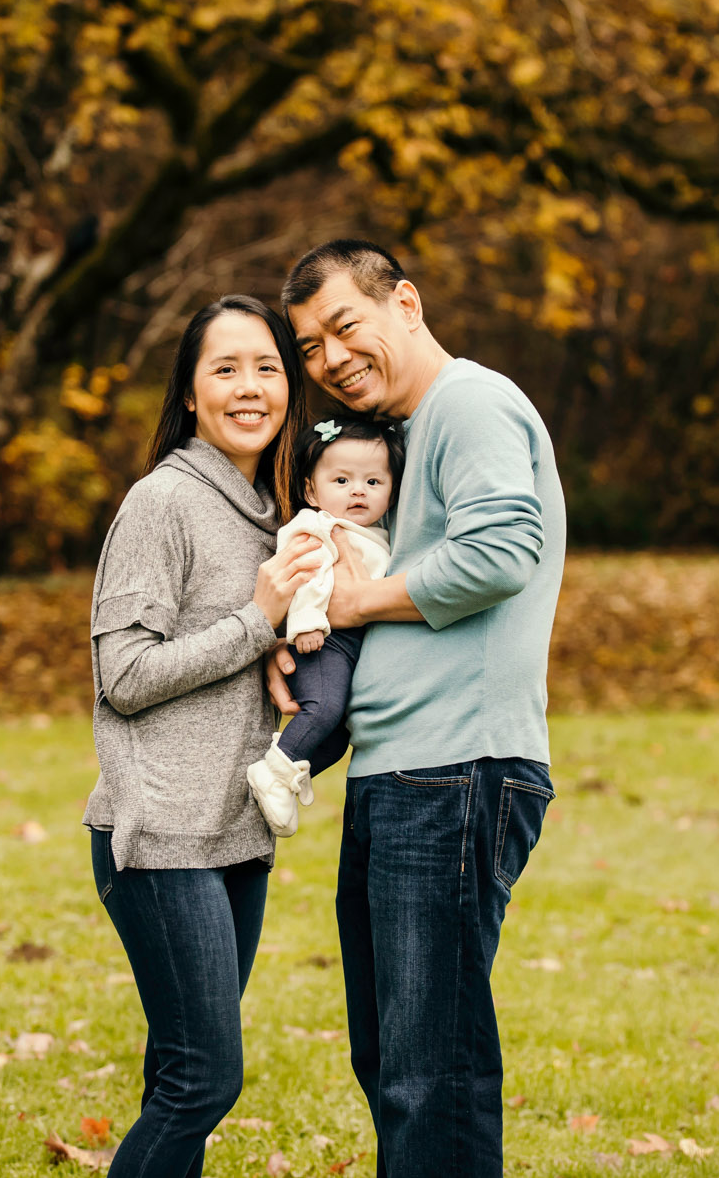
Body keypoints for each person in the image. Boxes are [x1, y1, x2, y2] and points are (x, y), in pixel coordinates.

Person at [270, 240, 567, 1178]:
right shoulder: (404, 436)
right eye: (310, 348)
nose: (330, 359)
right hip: (407, 770)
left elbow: (498, 552)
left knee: (426, 1071)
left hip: (458, 771)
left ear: (405, 300)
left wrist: (354, 603)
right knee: (402, 1059)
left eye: (343, 326)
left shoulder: (469, 402)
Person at [83, 295, 324, 1178]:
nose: (250, 387)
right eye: (225, 369)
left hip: (234, 833)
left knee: (177, 1073)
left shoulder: (276, 510)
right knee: (204, 1078)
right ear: (190, 393)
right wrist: (255, 623)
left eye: (267, 367)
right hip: (161, 837)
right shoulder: (164, 502)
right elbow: (126, 676)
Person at [244, 416, 403, 836]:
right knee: (325, 708)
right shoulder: (316, 524)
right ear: (312, 490)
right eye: (342, 480)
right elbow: (310, 573)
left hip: (352, 644)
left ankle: (288, 765)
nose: (358, 491)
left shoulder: (379, 533)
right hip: (321, 640)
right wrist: (308, 622)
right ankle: (272, 774)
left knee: (335, 734)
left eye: (373, 482)